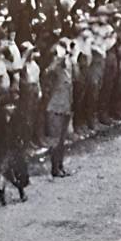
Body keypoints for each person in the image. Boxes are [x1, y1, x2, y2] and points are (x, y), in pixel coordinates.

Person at [43, 39, 75, 178]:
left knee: (62, 139)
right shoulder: (55, 67)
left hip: (66, 105)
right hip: (55, 106)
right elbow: (48, 72)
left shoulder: (68, 67)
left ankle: (60, 166)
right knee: (55, 139)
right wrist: (58, 57)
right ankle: (54, 168)